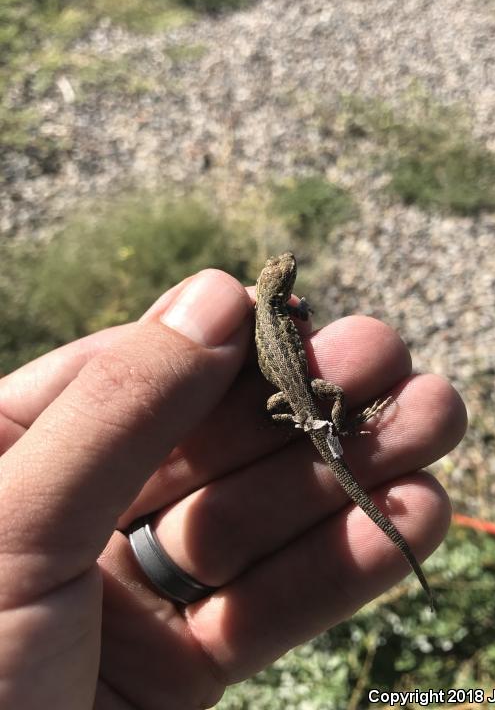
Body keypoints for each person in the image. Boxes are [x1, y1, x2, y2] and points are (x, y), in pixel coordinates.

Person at [0, 267, 466, 708]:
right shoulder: (283, 309)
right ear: (281, 289)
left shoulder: (270, 308)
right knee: (341, 400)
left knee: (334, 411)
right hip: (302, 391)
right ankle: (335, 426)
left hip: (288, 395)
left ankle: (310, 426)